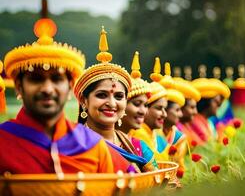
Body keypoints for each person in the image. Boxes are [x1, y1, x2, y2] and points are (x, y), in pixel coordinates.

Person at [0, 18, 114, 174]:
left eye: (57, 79)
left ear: (69, 87)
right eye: (36, 79)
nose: (47, 89)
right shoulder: (3, 140)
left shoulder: (93, 145)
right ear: (19, 87)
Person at [74, 28, 154, 172]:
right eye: (102, 95)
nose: (111, 103)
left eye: (119, 96)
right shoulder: (73, 144)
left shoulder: (138, 147)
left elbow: (163, 184)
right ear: (83, 100)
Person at [115, 51, 158, 171]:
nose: (143, 111)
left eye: (145, 105)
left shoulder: (139, 146)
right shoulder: (95, 142)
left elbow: (161, 181)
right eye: (137, 104)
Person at [129, 57, 170, 161]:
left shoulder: (154, 134)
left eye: (145, 105)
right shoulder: (139, 133)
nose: (164, 114)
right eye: (159, 108)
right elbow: (158, 164)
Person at [191, 78, 231, 142]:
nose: (219, 105)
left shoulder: (209, 123)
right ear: (205, 101)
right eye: (216, 102)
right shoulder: (195, 122)